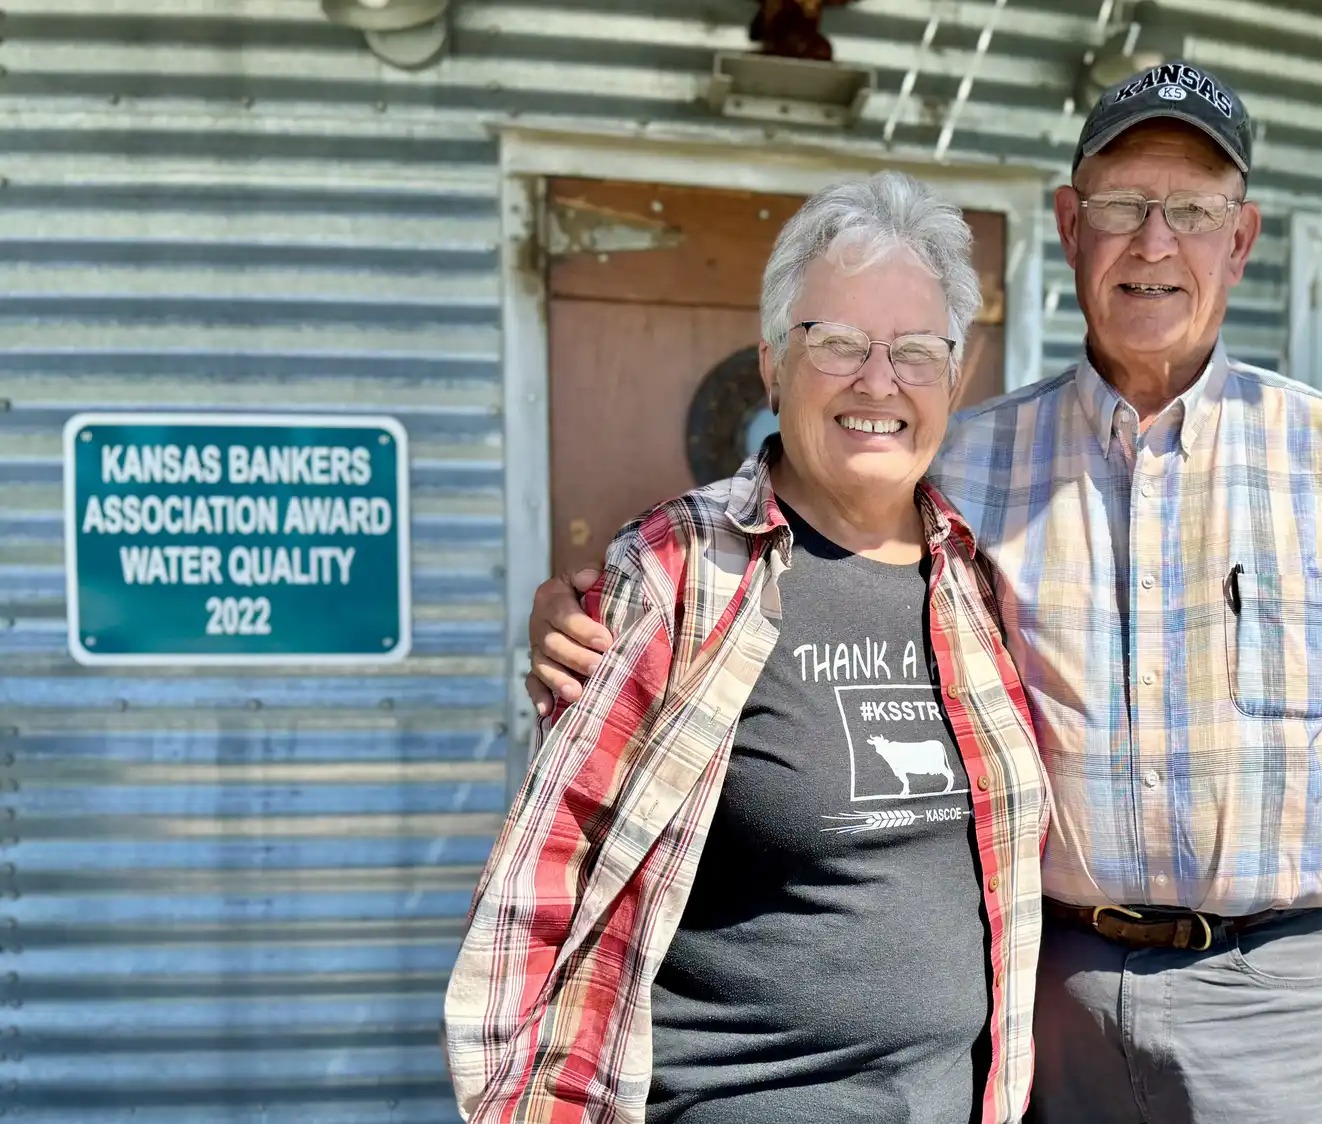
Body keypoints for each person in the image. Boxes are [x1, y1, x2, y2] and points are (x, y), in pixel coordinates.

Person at [523, 63, 1322, 1123]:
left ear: (1242, 237)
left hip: (1273, 999)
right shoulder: (965, 467)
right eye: (1122, 205)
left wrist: (1292, 864)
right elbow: (797, 511)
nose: (1154, 242)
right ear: (1070, 223)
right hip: (1047, 994)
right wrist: (587, 599)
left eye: (1192, 210)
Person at [445, 172, 1049, 1124]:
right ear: (771, 362)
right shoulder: (682, 569)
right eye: (839, 343)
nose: (878, 382)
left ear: (956, 376)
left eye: (914, 351)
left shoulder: (974, 581)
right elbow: (554, 867)